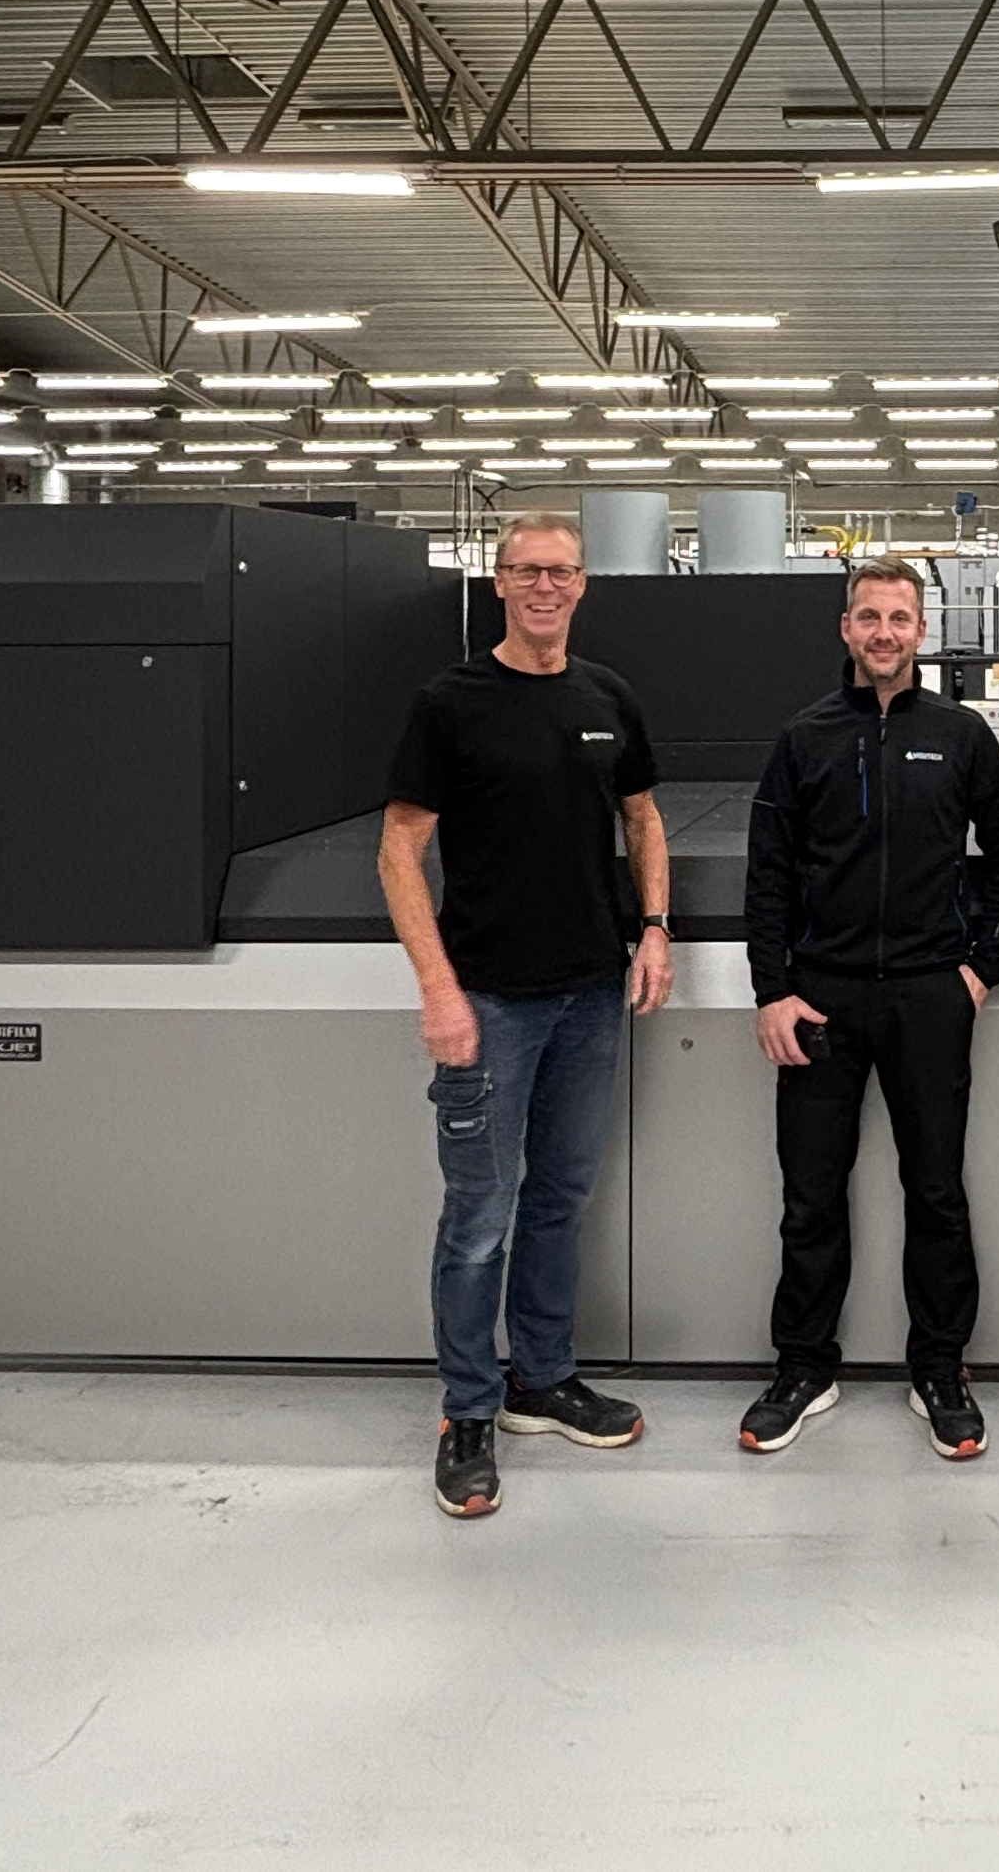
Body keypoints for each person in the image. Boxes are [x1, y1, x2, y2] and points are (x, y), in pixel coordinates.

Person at [380, 510, 674, 1520]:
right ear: (498, 582)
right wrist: (438, 987)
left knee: (558, 1198)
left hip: (591, 994)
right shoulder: (449, 704)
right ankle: (467, 1411)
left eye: (561, 571)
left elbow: (642, 817)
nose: (545, 586)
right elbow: (398, 850)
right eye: (526, 570)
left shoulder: (607, 698)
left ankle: (539, 1380)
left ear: (583, 584)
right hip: (489, 1003)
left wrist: (655, 928)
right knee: (479, 1217)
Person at [739, 559, 999, 1458]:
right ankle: (802, 1366)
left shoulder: (959, 734)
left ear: (920, 630)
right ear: (846, 629)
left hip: (927, 995)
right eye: (868, 616)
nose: (883, 633)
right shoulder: (805, 736)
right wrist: (771, 988)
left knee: (936, 1190)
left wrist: (980, 966)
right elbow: (769, 871)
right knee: (810, 1196)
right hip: (820, 997)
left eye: (898, 618)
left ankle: (939, 1367)